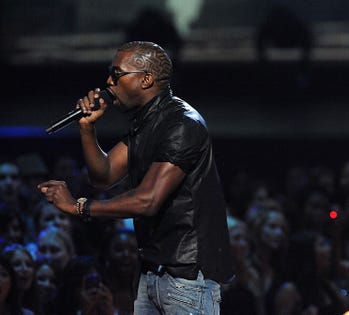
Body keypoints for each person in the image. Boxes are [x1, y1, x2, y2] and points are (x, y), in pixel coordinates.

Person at [38, 40, 233, 314]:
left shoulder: (181, 125)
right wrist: (87, 128)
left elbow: (148, 200)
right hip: (152, 272)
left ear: (146, 79)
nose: (108, 81)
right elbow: (104, 176)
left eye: (116, 74)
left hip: (186, 277)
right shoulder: (148, 123)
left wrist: (79, 206)